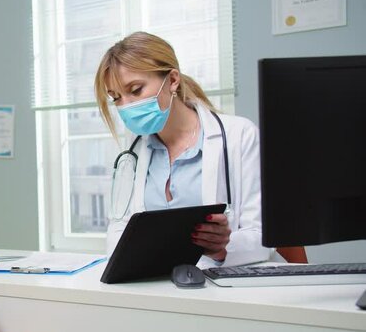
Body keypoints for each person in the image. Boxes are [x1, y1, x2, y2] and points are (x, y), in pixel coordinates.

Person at [94, 31, 273, 268]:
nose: (126, 106)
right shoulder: (133, 152)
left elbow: (263, 236)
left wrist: (222, 248)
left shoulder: (239, 135)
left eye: (135, 90)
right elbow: (119, 227)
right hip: (156, 285)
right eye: (116, 98)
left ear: (173, 80)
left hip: (225, 287)